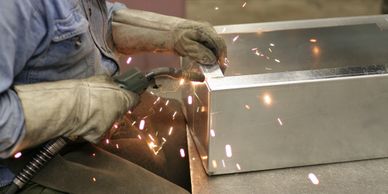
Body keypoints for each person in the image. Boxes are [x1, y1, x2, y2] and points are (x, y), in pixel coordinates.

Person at [0, 0, 226, 193]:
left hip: (79, 132)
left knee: (180, 132)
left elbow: (90, 21)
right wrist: (84, 104)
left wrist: (168, 33)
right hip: (25, 163)